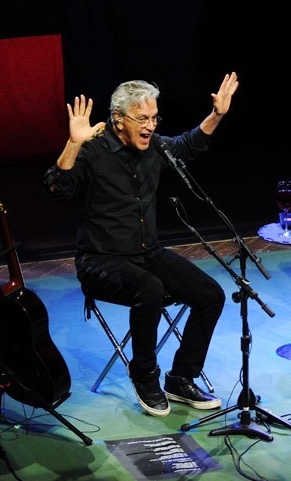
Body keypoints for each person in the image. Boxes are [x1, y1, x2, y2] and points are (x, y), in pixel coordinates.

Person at [43, 73, 239, 416]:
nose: (150, 126)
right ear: (119, 119)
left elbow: (189, 144)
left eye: (154, 118)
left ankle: (181, 378)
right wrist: (73, 143)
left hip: (147, 254)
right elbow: (56, 190)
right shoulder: (92, 150)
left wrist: (217, 114)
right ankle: (145, 374)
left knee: (210, 295)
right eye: (143, 119)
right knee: (149, 289)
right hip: (100, 261)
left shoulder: (156, 148)